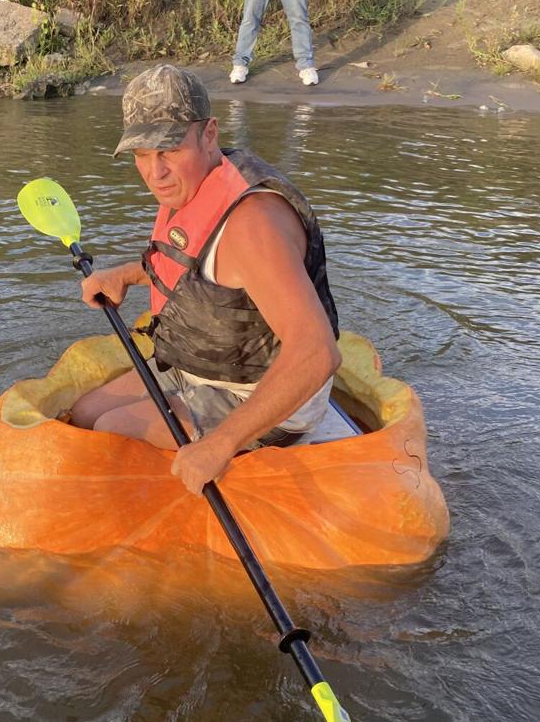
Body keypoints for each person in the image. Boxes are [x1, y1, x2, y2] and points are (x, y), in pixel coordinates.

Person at [70, 65, 341, 495]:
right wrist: (123, 274)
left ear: (209, 133)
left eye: (169, 149)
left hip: (258, 394)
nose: (154, 172)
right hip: (198, 367)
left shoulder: (254, 225)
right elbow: (195, 268)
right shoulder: (192, 184)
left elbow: (317, 353)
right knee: (85, 415)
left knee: (111, 427)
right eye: (141, 153)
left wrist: (221, 443)